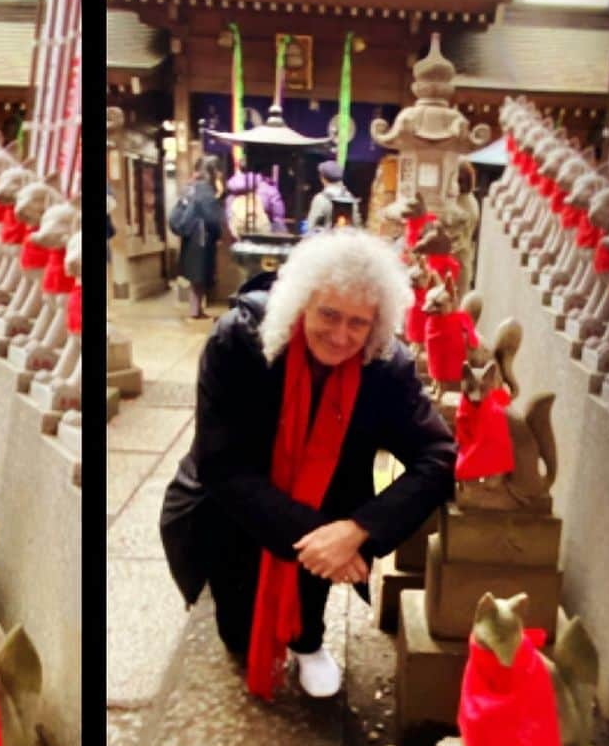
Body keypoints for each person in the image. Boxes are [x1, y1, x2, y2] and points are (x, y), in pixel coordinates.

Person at [159, 227, 456, 700]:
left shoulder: (385, 367)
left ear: (376, 325)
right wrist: (322, 540)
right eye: (329, 314)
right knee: (238, 637)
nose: (340, 336)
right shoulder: (238, 341)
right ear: (302, 303)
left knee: (313, 583)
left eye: (358, 323)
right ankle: (260, 611)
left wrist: (358, 531)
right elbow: (223, 465)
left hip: (329, 504)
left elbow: (439, 456)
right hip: (235, 508)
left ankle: (309, 639)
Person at [171, 155, 226, 319]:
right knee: (199, 276)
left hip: (191, 238)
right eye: (218, 170)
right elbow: (213, 218)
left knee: (197, 278)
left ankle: (196, 309)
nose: (220, 174)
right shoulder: (206, 191)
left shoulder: (191, 187)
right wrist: (219, 234)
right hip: (202, 239)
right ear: (212, 171)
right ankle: (195, 311)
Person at [306, 159, 361, 232]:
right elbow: (357, 225)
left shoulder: (321, 198)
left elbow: (311, 227)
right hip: (347, 241)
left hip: (326, 241)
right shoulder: (350, 198)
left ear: (323, 178)